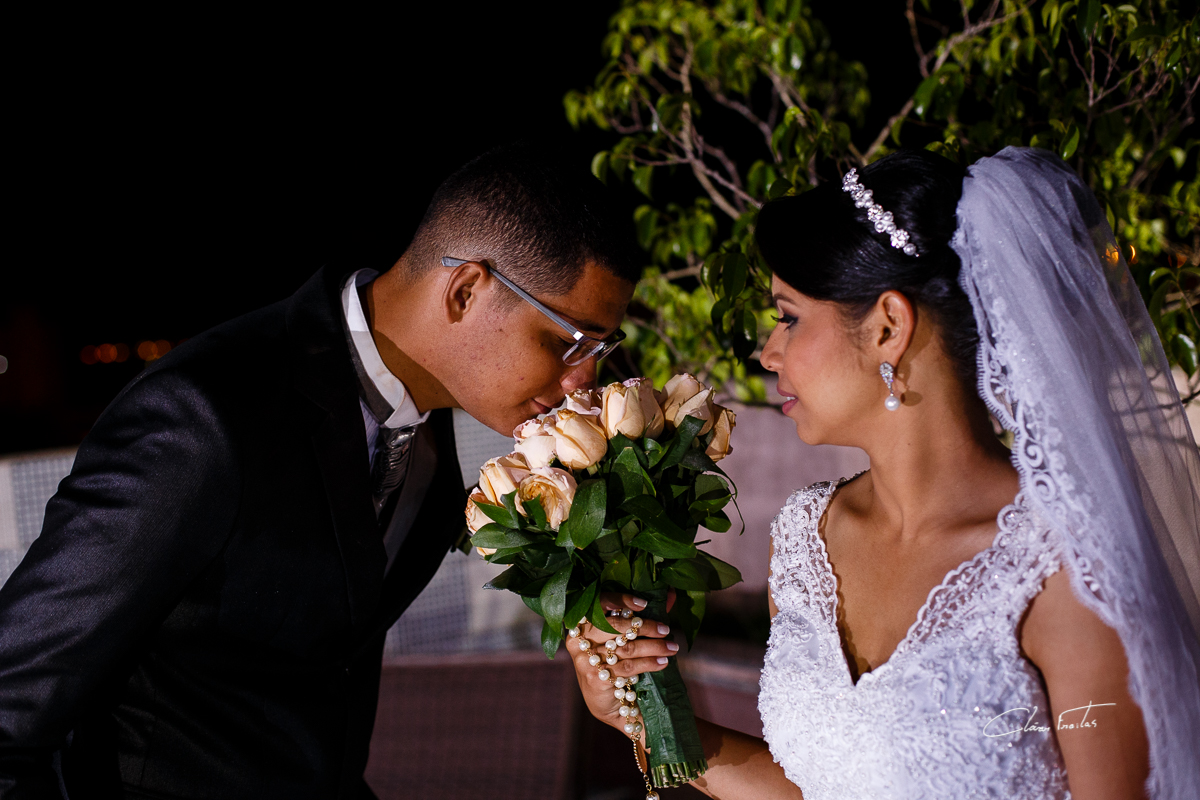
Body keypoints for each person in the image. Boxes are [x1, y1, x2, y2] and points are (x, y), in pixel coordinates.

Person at [0, 143, 644, 798]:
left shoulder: (434, 429)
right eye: (570, 342)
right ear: (466, 290)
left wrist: (594, 605)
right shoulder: (203, 421)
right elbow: (10, 707)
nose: (582, 382)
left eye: (600, 348)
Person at [568, 148, 1200, 799]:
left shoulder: (1062, 572)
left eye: (789, 317)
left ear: (888, 327)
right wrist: (642, 716)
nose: (768, 351)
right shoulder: (805, 535)